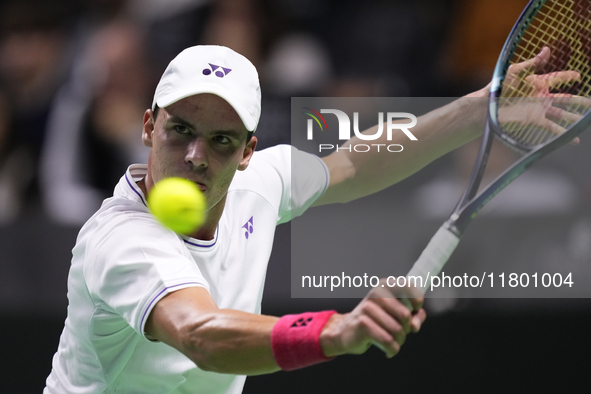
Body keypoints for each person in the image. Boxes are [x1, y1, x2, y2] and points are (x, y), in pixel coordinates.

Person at [43, 44, 571, 393]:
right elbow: (199, 332)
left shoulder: (258, 183)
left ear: (248, 151)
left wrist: (478, 109)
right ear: (148, 125)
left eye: (221, 140)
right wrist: (334, 330)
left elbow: (353, 163)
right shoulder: (122, 240)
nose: (197, 156)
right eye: (180, 130)